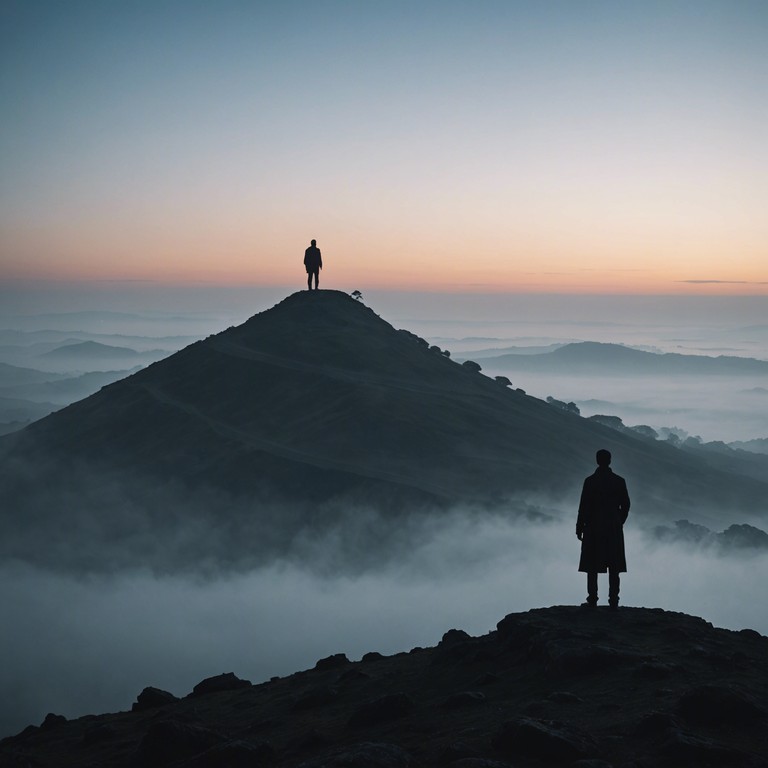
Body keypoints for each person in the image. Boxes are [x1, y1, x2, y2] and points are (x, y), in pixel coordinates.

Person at [576, 449, 630, 610]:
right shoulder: (619, 481)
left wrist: (580, 526)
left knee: (592, 564)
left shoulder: (590, 481)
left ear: (597, 460)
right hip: (613, 526)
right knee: (614, 565)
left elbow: (583, 506)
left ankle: (592, 599)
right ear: (610, 461)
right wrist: (619, 520)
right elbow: (626, 505)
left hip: (593, 526)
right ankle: (614, 600)